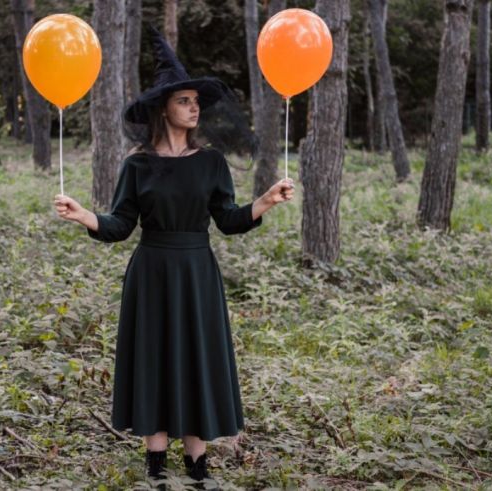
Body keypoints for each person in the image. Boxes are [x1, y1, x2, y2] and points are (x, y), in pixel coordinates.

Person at [53, 27, 294, 489]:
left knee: (195, 359)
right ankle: (156, 469)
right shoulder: (137, 164)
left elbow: (227, 219)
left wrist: (264, 201)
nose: (194, 107)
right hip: (152, 272)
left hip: (197, 272)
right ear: (164, 108)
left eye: (196, 101)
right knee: (155, 358)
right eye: (184, 100)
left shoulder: (212, 162)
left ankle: (198, 470)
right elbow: (121, 226)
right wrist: (84, 215)